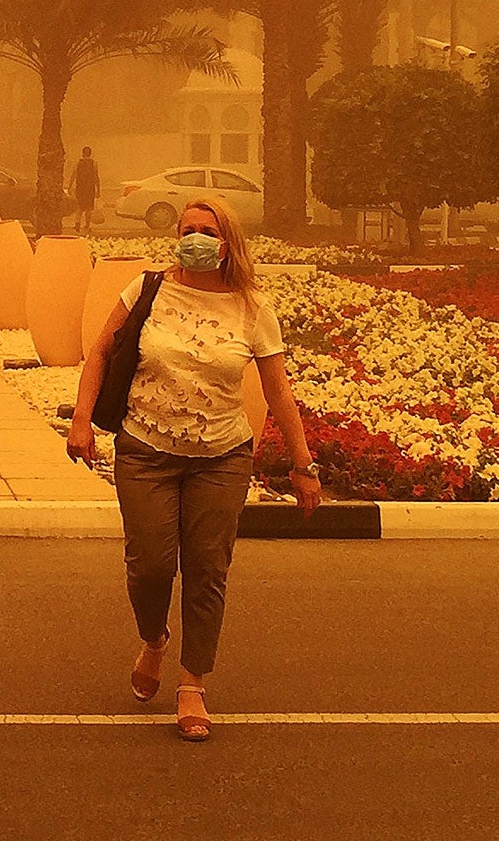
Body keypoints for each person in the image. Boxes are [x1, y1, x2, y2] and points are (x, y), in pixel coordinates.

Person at [64, 195, 320, 742]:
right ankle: (154, 639)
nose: (196, 237)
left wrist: (303, 464)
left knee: (208, 569)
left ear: (227, 241)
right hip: (145, 449)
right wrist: (81, 419)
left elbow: (278, 389)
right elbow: (101, 354)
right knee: (151, 565)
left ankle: (191, 684)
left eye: (207, 229)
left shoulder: (252, 307)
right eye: (188, 228)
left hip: (222, 457)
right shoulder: (147, 289)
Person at [70, 146, 101, 235]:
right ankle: (87, 225)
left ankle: (77, 223)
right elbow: (96, 177)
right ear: (90, 153)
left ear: (82, 153)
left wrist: (70, 186)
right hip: (90, 188)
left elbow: (73, 175)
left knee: (79, 207)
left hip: (80, 188)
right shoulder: (94, 163)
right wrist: (98, 189)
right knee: (88, 208)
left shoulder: (78, 163)